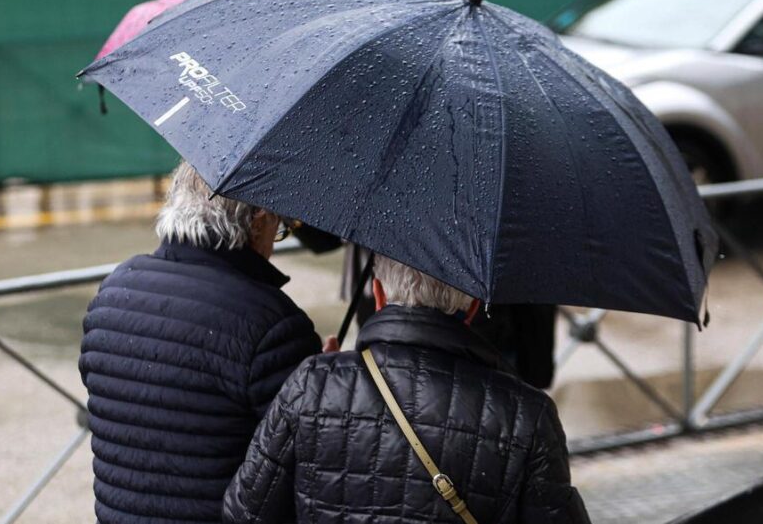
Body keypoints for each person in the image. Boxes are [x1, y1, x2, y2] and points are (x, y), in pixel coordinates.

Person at [224, 255, 590, 523]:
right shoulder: (527, 414)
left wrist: (320, 380)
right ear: (473, 306)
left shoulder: (313, 383)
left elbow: (244, 512)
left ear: (377, 293)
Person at [79, 162, 322, 523]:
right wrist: (325, 386)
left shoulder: (115, 289)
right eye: (279, 226)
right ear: (257, 220)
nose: (275, 239)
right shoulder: (272, 323)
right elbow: (309, 459)